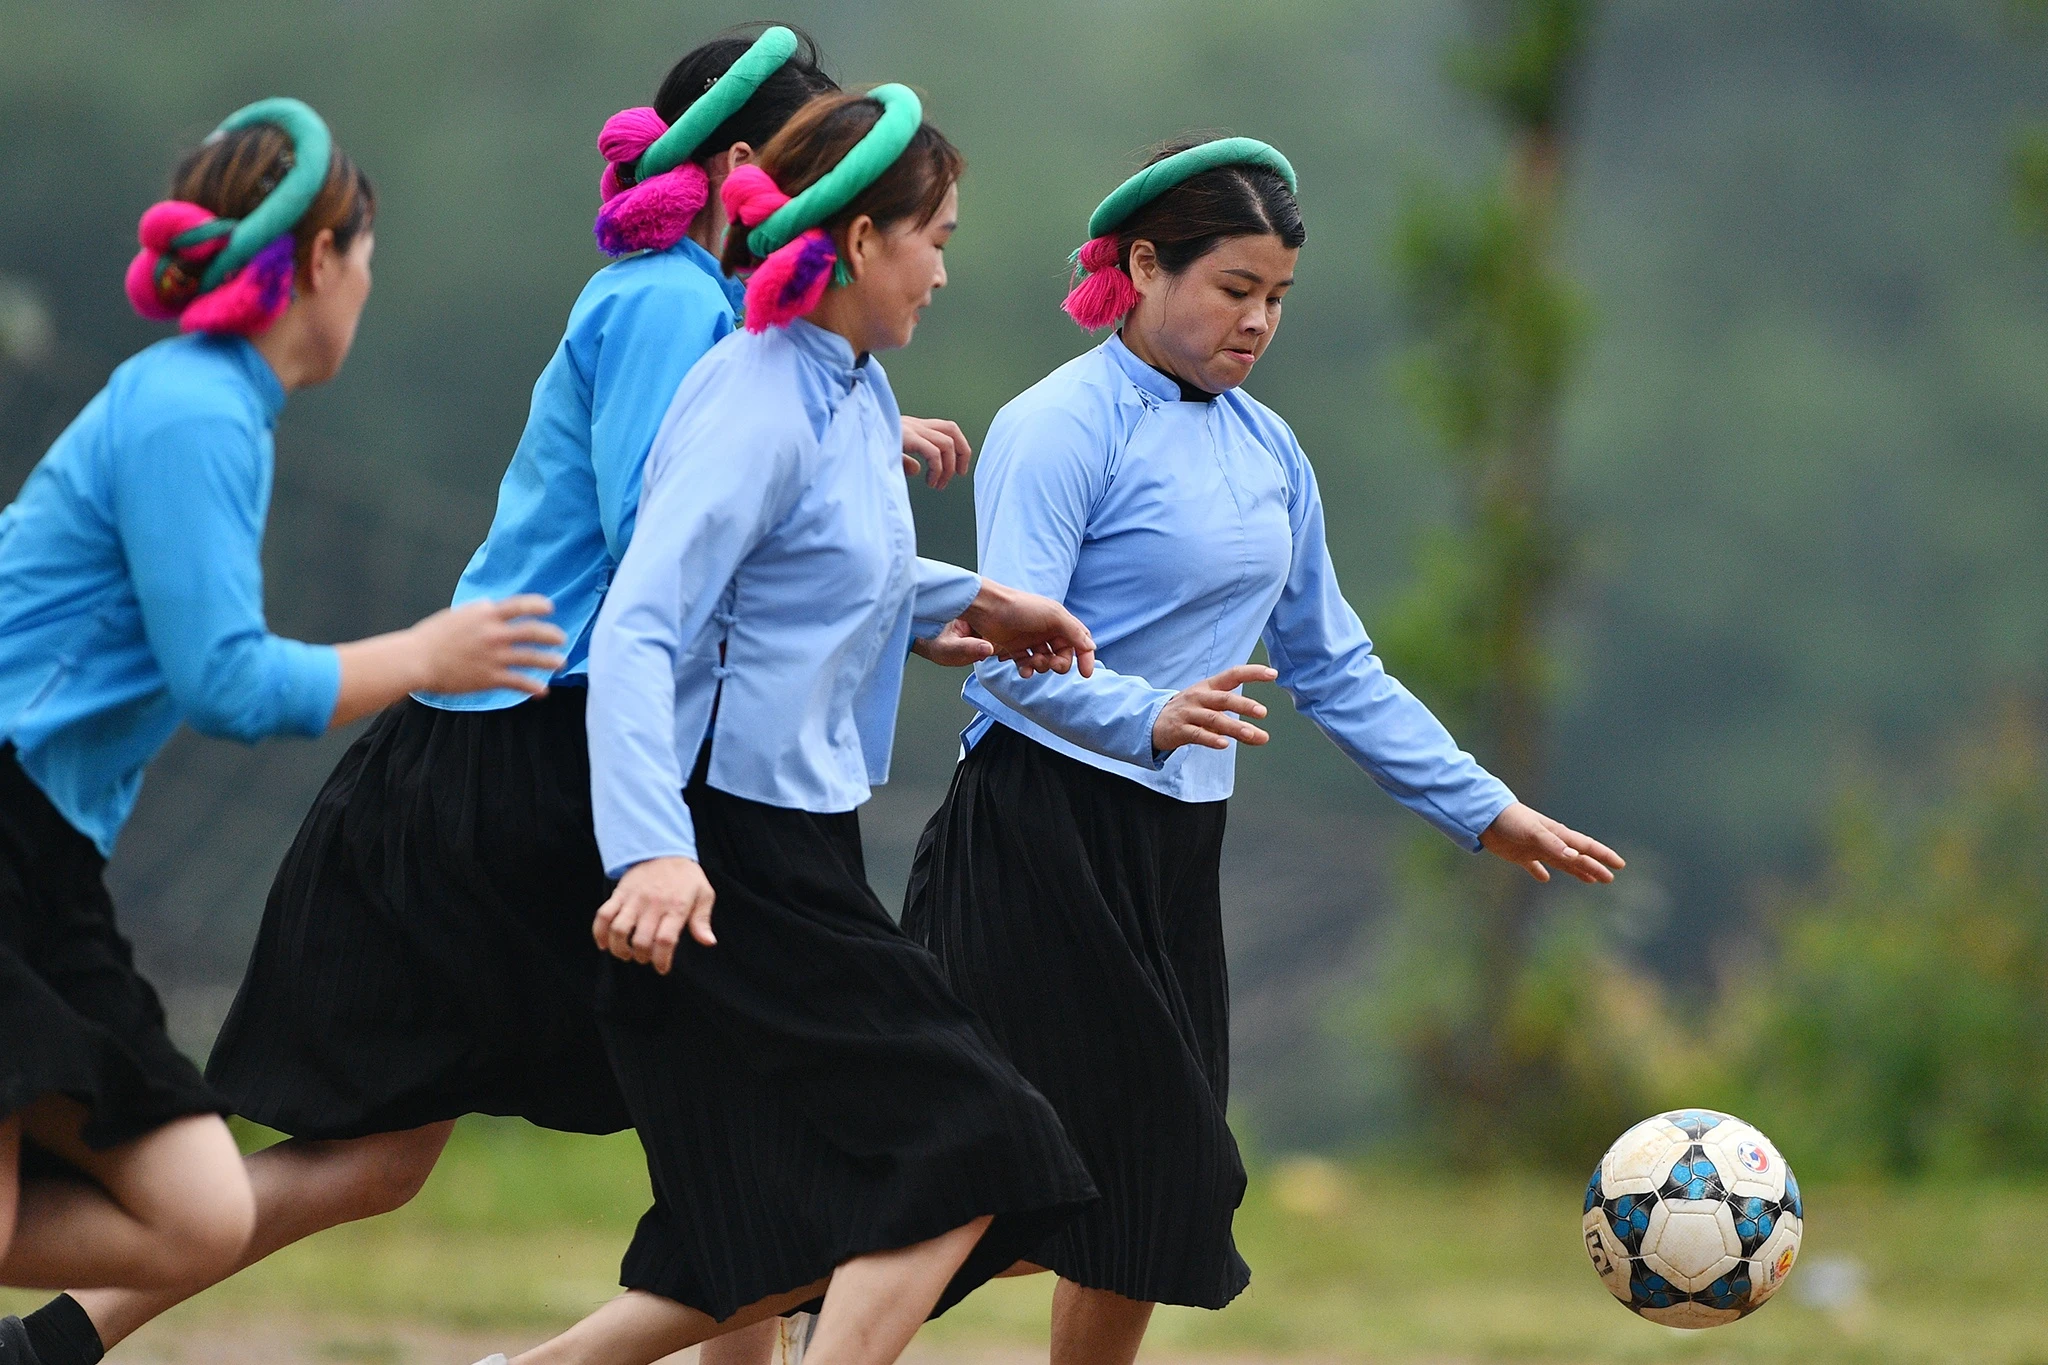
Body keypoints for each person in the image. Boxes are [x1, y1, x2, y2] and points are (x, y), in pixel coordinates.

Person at [29, 28, 976, 1365]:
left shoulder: (729, 323)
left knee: (426, 1153)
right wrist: (906, 554)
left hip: (547, 744)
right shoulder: (666, 302)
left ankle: (59, 1339)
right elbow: (676, 532)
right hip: (530, 753)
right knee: (748, 1111)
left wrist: (902, 542)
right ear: (754, 166)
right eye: (826, 156)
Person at [901, 135, 1627, 1365]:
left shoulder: (1268, 451)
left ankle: (800, 1289)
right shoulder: (1058, 426)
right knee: (1017, 1173)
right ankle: (766, 1298)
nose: (1256, 322)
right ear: (1141, 265)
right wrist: (1145, 714)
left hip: (1173, 848)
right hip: (1033, 837)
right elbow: (1001, 659)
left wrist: (1482, 807)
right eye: (1232, 288)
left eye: (1276, 297)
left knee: (1150, 1193)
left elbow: (1334, 665)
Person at [480, 84, 1101, 1365]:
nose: (942, 263)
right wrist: (652, 847)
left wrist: (974, 601)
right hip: (728, 848)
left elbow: (816, 569)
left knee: (771, 1229)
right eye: (931, 232)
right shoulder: (755, 394)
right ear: (861, 238)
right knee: (978, 1145)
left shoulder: (852, 387)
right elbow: (645, 623)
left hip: (798, 833)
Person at [0, 98, 565, 1360]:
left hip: (44, 860)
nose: (364, 288)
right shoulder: (194, 409)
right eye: (363, 260)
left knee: (197, 1217)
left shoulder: (219, 407)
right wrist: (427, 653)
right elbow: (228, 685)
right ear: (317, 261)